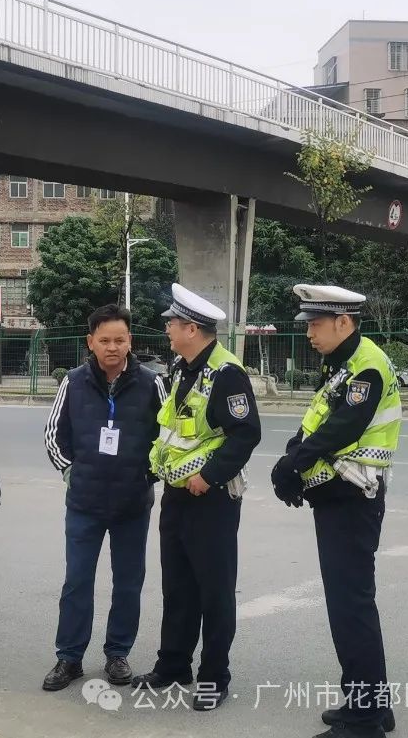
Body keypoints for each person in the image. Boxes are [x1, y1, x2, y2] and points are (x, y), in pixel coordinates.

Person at [270, 285, 402, 738]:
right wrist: (292, 458)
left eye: (314, 323)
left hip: (352, 499)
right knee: (348, 604)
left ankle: (365, 720)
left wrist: (293, 463)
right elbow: (318, 419)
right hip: (336, 497)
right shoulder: (342, 363)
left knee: (351, 606)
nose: (308, 332)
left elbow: (344, 428)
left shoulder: (367, 366)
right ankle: (369, 704)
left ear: (342, 322)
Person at [132, 283, 261, 711]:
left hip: (213, 498)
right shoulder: (183, 368)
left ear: (192, 328)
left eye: (172, 323)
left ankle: (214, 677)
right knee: (178, 585)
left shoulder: (227, 374)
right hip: (177, 495)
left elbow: (246, 435)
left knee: (214, 590)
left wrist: (209, 475)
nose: (167, 328)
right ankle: (173, 664)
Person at [41, 304, 167, 692]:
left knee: (128, 582)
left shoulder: (151, 383)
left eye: (120, 340)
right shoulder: (73, 382)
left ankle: (117, 654)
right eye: (105, 340)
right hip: (85, 505)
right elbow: (53, 436)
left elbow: (168, 437)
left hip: (133, 504)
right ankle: (69, 657)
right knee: (77, 581)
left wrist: (149, 474)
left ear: (131, 341)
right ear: (90, 342)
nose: (113, 347)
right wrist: (71, 473)